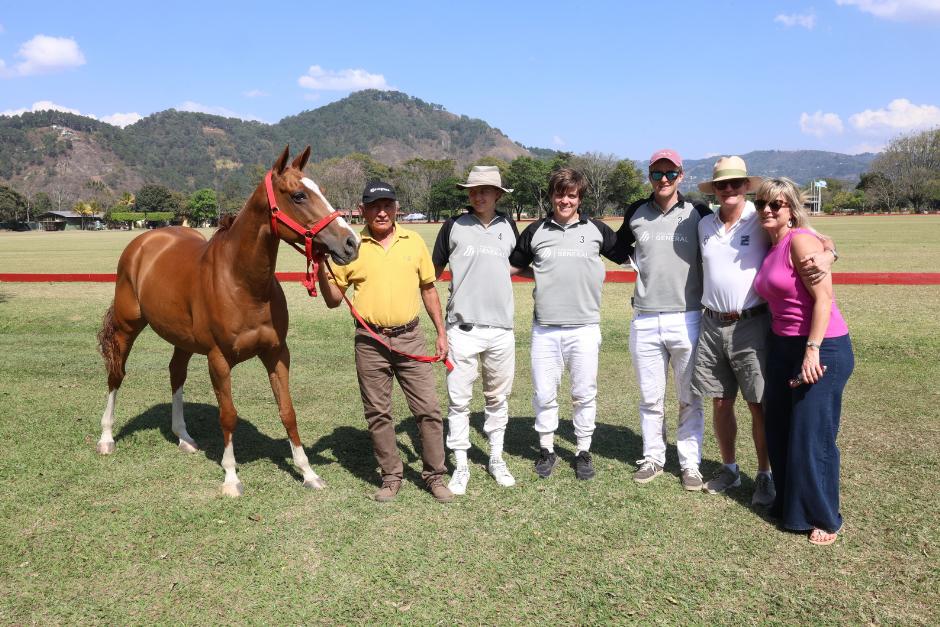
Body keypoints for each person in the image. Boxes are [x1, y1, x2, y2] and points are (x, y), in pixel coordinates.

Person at [693, 156, 838, 505]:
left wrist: (830, 252)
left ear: (746, 186)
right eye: (721, 184)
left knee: (758, 404)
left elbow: (816, 235)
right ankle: (729, 468)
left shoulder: (760, 218)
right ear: (714, 190)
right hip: (712, 323)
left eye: (735, 183)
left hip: (752, 323)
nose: (728, 189)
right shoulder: (703, 224)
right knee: (721, 401)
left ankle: (764, 475)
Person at [317, 181, 453, 503]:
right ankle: (391, 476)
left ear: (395, 208)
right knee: (378, 413)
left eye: (387, 205)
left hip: (410, 338)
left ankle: (435, 476)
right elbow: (334, 299)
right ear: (363, 210)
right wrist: (321, 266)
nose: (381, 211)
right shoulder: (353, 246)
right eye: (374, 206)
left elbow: (429, 289)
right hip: (370, 341)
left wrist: (441, 332)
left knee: (429, 410)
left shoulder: (414, 241)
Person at [752, 177, 853, 546]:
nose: (766, 210)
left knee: (813, 435)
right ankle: (790, 506)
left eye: (775, 205)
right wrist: (831, 246)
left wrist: (812, 349)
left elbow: (824, 300)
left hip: (821, 347)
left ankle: (824, 517)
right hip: (783, 346)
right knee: (781, 430)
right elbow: (826, 241)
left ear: (791, 209)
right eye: (761, 203)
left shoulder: (800, 241)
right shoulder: (771, 241)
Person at [509, 167, 620, 480]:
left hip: (584, 328)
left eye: (572, 195)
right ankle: (546, 448)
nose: (565, 200)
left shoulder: (598, 230)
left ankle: (583, 450)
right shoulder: (535, 232)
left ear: (580, 197)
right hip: (545, 329)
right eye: (560, 194)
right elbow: (513, 268)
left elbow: (630, 257)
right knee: (545, 393)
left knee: (584, 393)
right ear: (552, 196)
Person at [612, 149, 711, 491]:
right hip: (645, 317)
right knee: (651, 397)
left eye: (670, 173)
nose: (664, 179)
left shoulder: (698, 212)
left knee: (690, 396)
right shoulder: (636, 212)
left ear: (681, 175)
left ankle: (690, 464)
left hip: (688, 318)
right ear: (649, 177)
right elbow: (617, 247)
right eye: (657, 174)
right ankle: (653, 456)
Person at [432, 165, 519, 495]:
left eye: (485, 190)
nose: (478, 195)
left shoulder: (509, 225)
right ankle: (462, 464)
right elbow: (432, 271)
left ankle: (496, 458)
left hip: (501, 330)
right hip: (462, 330)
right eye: (473, 190)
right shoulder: (453, 225)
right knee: (458, 402)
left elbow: (524, 260)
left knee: (497, 399)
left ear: (498, 194)